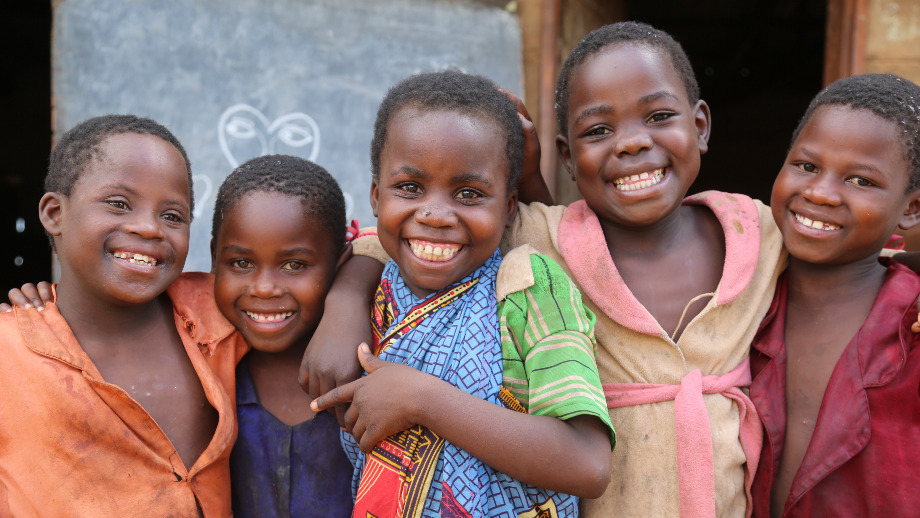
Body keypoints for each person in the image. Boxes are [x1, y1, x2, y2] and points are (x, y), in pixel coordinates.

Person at [306, 22, 785, 518]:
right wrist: (342, 307)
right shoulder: (543, 238)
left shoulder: (758, 232)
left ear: (701, 126)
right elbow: (391, 239)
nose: (631, 143)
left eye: (659, 115)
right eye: (598, 130)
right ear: (567, 156)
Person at [310, 69, 615, 517]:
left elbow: (588, 464)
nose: (434, 214)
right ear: (376, 196)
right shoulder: (373, 284)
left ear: (509, 207)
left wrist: (422, 399)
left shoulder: (528, 289)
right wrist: (342, 303)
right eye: (410, 188)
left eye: (469, 193)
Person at [0, 114, 247, 517]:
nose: (149, 228)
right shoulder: (10, 354)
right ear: (54, 213)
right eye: (118, 203)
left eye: (173, 216)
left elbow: (329, 256)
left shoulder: (217, 313)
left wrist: (346, 297)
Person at [748, 73, 920, 517]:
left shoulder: (913, 328)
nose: (820, 193)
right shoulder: (735, 296)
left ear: (911, 208)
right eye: (806, 166)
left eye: (861, 181)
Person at [210, 155, 354, 517]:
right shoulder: (202, 370)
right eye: (241, 263)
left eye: (294, 265)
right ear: (214, 258)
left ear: (340, 263)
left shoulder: (374, 362)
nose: (264, 288)